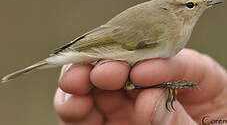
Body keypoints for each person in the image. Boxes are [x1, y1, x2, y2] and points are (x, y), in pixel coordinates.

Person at [54, 49, 227, 125]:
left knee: (137, 77)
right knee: (129, 79)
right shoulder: (162, 27)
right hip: (108, 61)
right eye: (190, 5)